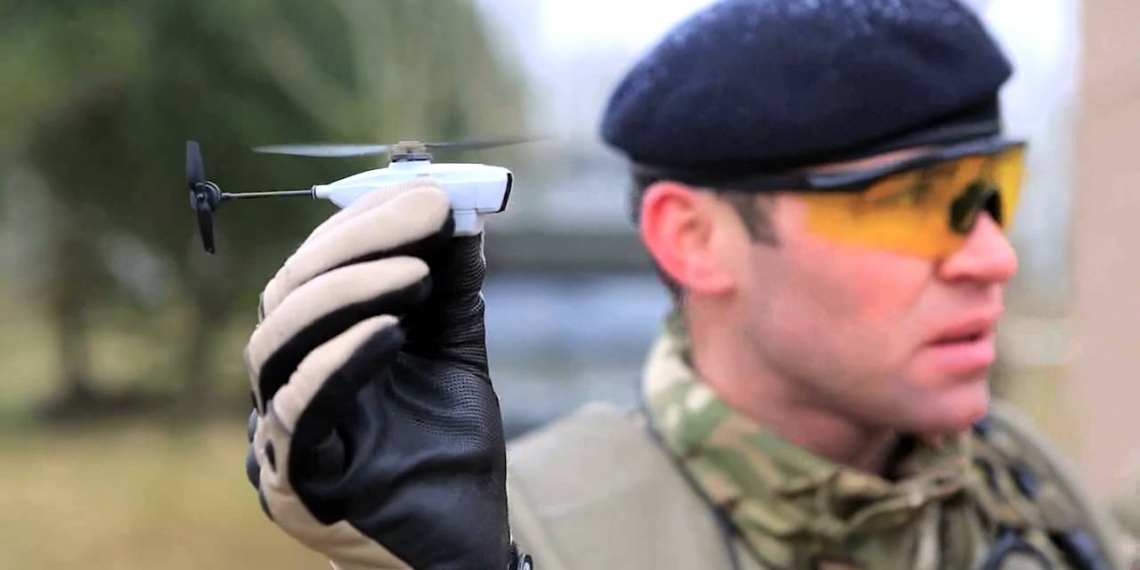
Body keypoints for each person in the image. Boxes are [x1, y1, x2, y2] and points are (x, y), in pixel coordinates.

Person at [241, 0, 1138, 568]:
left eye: (992, 193)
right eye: (914, 202)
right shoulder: (526, 530)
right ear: (695, 238)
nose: (993, 258)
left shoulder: (1023, 483)